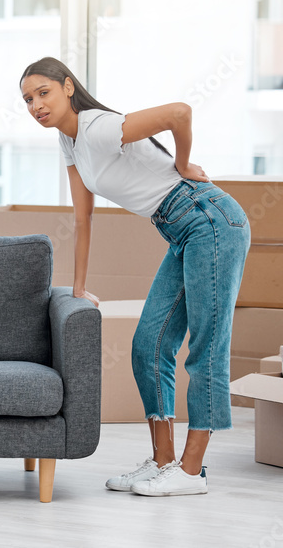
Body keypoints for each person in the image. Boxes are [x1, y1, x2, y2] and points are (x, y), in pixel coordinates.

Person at [19, 57, 250, 497]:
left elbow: (179, 112)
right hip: (182, 229)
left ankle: (191, 470)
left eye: (43, 93)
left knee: (205, 347)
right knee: (149, 345)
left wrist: (182, 164)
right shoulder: (70, 144)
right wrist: (80, 288)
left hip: (210, 218)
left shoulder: (97, 128)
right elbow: (83, 220)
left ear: (69, 87)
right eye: (28, 99)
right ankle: (164, 462)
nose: (36, 105)